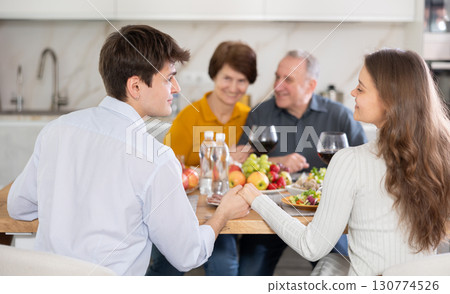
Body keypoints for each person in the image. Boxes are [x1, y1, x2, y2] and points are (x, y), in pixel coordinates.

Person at [7, 25, 250, 276]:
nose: (176, 88)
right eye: (169, 78)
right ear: (135, 87)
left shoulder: (56, 130)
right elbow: (188, 254)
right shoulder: (155, 158)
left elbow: (19, 207)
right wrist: (223, 214)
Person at [237, 48, 450, 275]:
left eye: (361, 88)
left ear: (389, 100)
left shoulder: (349, 159)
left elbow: (311, 247)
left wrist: (257, 198)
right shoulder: (441, 154)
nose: (352, 92)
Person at [235, 50, 367, 276]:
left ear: (310, 85)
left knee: (342, 274)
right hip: (269, 218)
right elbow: (243, 164)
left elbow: (364, 166)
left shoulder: (341, 116)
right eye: (277, 77)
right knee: (248, 276)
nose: (278, 86)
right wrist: (279, 162)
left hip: (325, 219)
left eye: (288, 80)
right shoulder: (261, 114)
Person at [147, 41, 257, 276]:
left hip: (223, 213)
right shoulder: (190, 115)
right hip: (182, 212)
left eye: (242, 80)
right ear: (214, 76)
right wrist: (221, 157)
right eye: (227, 78)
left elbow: (254, 170)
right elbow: (169, 168)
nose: (234, 87)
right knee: (165, 266)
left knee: (225, 265)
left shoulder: (250, 117)